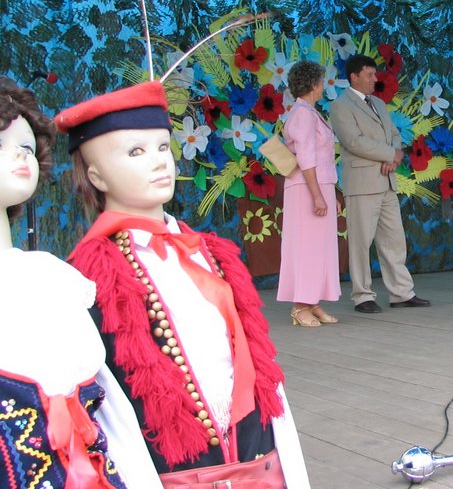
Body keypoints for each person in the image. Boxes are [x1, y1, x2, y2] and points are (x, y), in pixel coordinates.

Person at [54, 81, 310, 487]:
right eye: (135, 152)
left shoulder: (214, 254)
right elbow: (104, 407)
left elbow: (260, 373)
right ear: (96, 176)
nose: (159, 161)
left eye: (162, 146)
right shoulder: (91, 274)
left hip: (259, 467)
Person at [0, 77, 161, 488]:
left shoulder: (51, 278)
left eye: (27, 147)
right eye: (1, 144)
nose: (20, 156)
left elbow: (112, 412)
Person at [329, 54, 430, 313]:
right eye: (370, 74)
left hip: (386, 180)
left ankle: (401, 292)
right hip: (362, 183)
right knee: (361, 242)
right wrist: (389, 154)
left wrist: (393, 157)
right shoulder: (341, 105)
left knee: (394, 239)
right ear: (354, 76)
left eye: (375, 74)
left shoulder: (378, 103)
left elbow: (394, 135)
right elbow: (353, 141)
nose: (375, 79)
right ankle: (362, 296)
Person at [278, 61, 341, 327]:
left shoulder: (309, 112)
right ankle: (299, 305)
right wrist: (316, 195)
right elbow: (306, 156)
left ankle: (311, 301)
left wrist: (328, 193)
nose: (323, 86)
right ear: (314, 84)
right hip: (306, 187)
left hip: (317, 184)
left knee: (318, 247)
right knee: (306, 246)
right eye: (322, 81)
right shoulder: (303, 114)